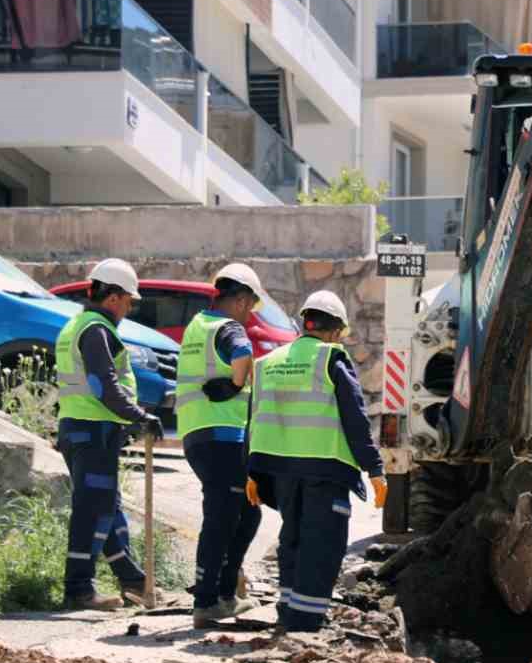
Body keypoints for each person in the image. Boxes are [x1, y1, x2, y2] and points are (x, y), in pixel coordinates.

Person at [245, 289, 386, 632]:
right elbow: (355, 419)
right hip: (324, 469)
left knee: (292, 538)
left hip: (281, 471)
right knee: (321, 544)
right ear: (335, 330)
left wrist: (251, 472)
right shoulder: (331, 359)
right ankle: (305, 622)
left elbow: (254, 419)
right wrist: (375, 470)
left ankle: (288, 609)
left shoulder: (268, 363)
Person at [53, 258, 164, 611]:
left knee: (108, 508)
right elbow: (104, 385)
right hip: (92, 430)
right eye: (128, 301)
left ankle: (133, 582)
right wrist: (140, 415)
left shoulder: (78, 325)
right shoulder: (96, 331)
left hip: (82, 428)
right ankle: (78, 589)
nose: (129, 308)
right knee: (93, 511)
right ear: (113, 297)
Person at [177, 263, 267, 629]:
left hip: (196, 434)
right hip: (224, 436)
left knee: (245, 512)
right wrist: (235, 384)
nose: (248, 315)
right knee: (224, 516)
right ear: (241, 299)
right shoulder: (229, 327)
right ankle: (207, 601)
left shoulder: (196, 326)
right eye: (248, 307)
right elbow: (242, 357)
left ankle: (224, 595)